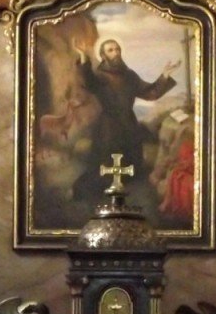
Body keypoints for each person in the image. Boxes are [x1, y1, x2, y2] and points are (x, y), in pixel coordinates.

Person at [76, 38, 178, 197]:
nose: (115, 52)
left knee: (132, 173)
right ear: (103, 55)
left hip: (129, 124)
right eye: (110, 50)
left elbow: (150, 93)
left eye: (117, 49)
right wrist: (83, 56)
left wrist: (164, 76)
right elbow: (88, 82)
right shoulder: (100, 76)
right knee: (104, 166)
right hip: (108, 126)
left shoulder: (129, 75)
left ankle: (129, 193)